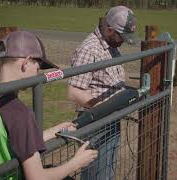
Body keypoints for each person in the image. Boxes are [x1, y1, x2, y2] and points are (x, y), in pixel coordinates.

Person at [0, 31, 98, 180]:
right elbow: (37, 177)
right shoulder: (20, 113)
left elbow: (10, 139)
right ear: (26, 63)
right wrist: (77, 162)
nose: (37, 74)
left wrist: (53, 131)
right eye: (38, 68)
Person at [67, 6, 139, 180]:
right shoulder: (89, 50)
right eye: (121, 36)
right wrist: (104, 108)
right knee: (96, 175)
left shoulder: (111, 45)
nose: (123, 41)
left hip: (110, 120)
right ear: (109, 29)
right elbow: (74, 92)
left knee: (107, 173)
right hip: (96, 125)